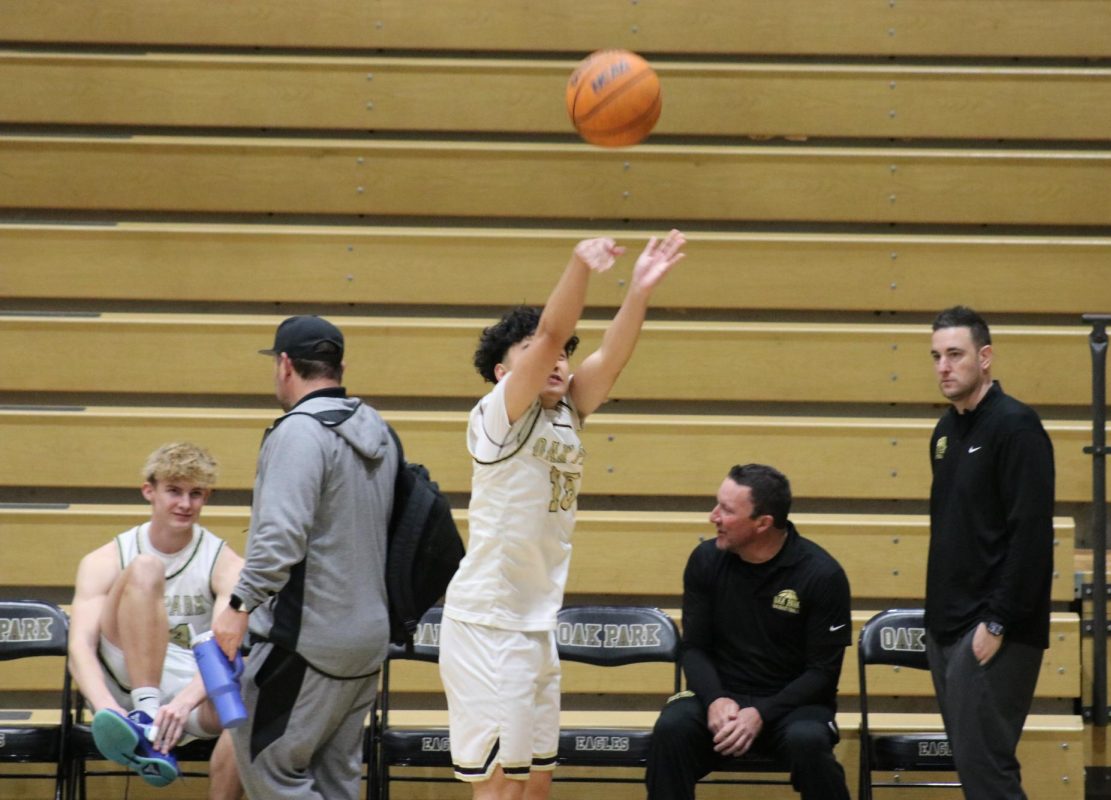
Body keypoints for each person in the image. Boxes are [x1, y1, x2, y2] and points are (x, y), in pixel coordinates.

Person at [439, 231, 686, 800]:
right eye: (532, 352)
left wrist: (638, 293)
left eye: (564, 354)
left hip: (535, 625)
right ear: (504, 373)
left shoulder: (568, 410)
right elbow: (553, 330)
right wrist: (579, 266)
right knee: (500, 788)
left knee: (537, 785)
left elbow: (612, 357)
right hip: (489, 624)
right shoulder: (499, 416)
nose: (557, 357)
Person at [211, 315, 400, 800]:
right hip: (366, 641)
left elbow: (279, 541)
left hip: (307, 640)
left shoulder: (298, 433)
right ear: (340, 367)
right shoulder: (379, 430)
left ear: (285, 364)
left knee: (267, 768)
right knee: (334, 781)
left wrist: (238, 606)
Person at [645, 464, 852, 800]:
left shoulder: (821, 574)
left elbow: (822, 674)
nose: (713, 517)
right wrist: (715, 699)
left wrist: (761, 714)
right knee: (672, 728)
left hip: (792, 708)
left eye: (726, 510)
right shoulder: (705, 561)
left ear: (762, 523)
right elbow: (693, 648)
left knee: (809, 743)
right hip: (722, 699)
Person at [925, 305, 1055, 799]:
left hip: (994, 627)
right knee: (975, 772)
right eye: (936, 356)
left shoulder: (1016, 427)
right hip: (948, 628)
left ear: (985, 357)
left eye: (955, 354)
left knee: (987, 773)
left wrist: (998, 621)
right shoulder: (944, 434)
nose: (943, 366)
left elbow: (1032, 537)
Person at [67, 442, 244, 798]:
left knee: (250, 711)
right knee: (147, 567)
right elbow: (80, 647)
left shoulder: (225, 561)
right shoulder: (105, 558)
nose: (185, 504)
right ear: (149, 491)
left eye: (196, 494)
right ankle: (142, 715)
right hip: (125, 680)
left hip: (190, 688)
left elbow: (228, 645)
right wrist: (108, 709)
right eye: (174, 491)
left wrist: (182, 704)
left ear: (206, 497)